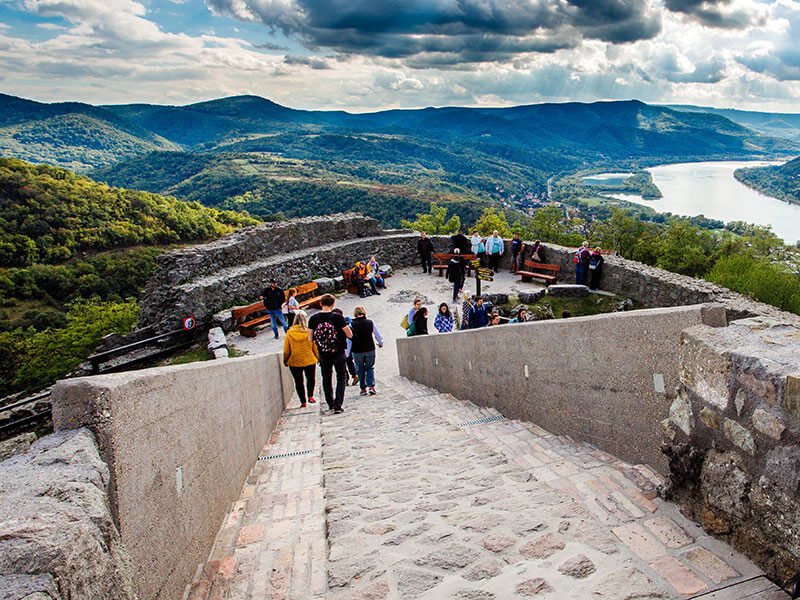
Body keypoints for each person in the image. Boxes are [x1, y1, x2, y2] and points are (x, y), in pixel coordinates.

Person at [308, 294, 352, 414]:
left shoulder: (313, 319)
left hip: (323, 353)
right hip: (338, 352)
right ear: (333, 304)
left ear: (320, 304)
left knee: (326, 378)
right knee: (341, 377)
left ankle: (330, 403)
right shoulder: (338, 318)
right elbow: (349, 335)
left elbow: (310, 338)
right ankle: (338, 404)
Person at [282, 310, 318, 408]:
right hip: (309, 359)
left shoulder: (289, 333)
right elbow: (314, 346)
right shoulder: (309, 332)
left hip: (294, 361)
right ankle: (310, 396)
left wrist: (285, 360)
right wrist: (318, 357)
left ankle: (303, 401)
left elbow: (286, 350)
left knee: (298, 381)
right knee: (310, 378)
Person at [350, 306, 384, 396]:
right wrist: (381, 343)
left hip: (357, 350)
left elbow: (349, 340)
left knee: (360, 368)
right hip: (369, 348)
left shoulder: (351, 325)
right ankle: (371, 386)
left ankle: (363, 388)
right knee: (369, 367)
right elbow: (377, 334)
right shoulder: (370, 322)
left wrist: (347, 352)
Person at [332, 308, 359, 386]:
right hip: (348, 346)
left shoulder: (333, 326)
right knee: (349, 361)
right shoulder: (346, 323)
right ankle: (354, 375)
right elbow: (352, 336)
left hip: (340, 347)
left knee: (342, 363)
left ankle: (346, 379)